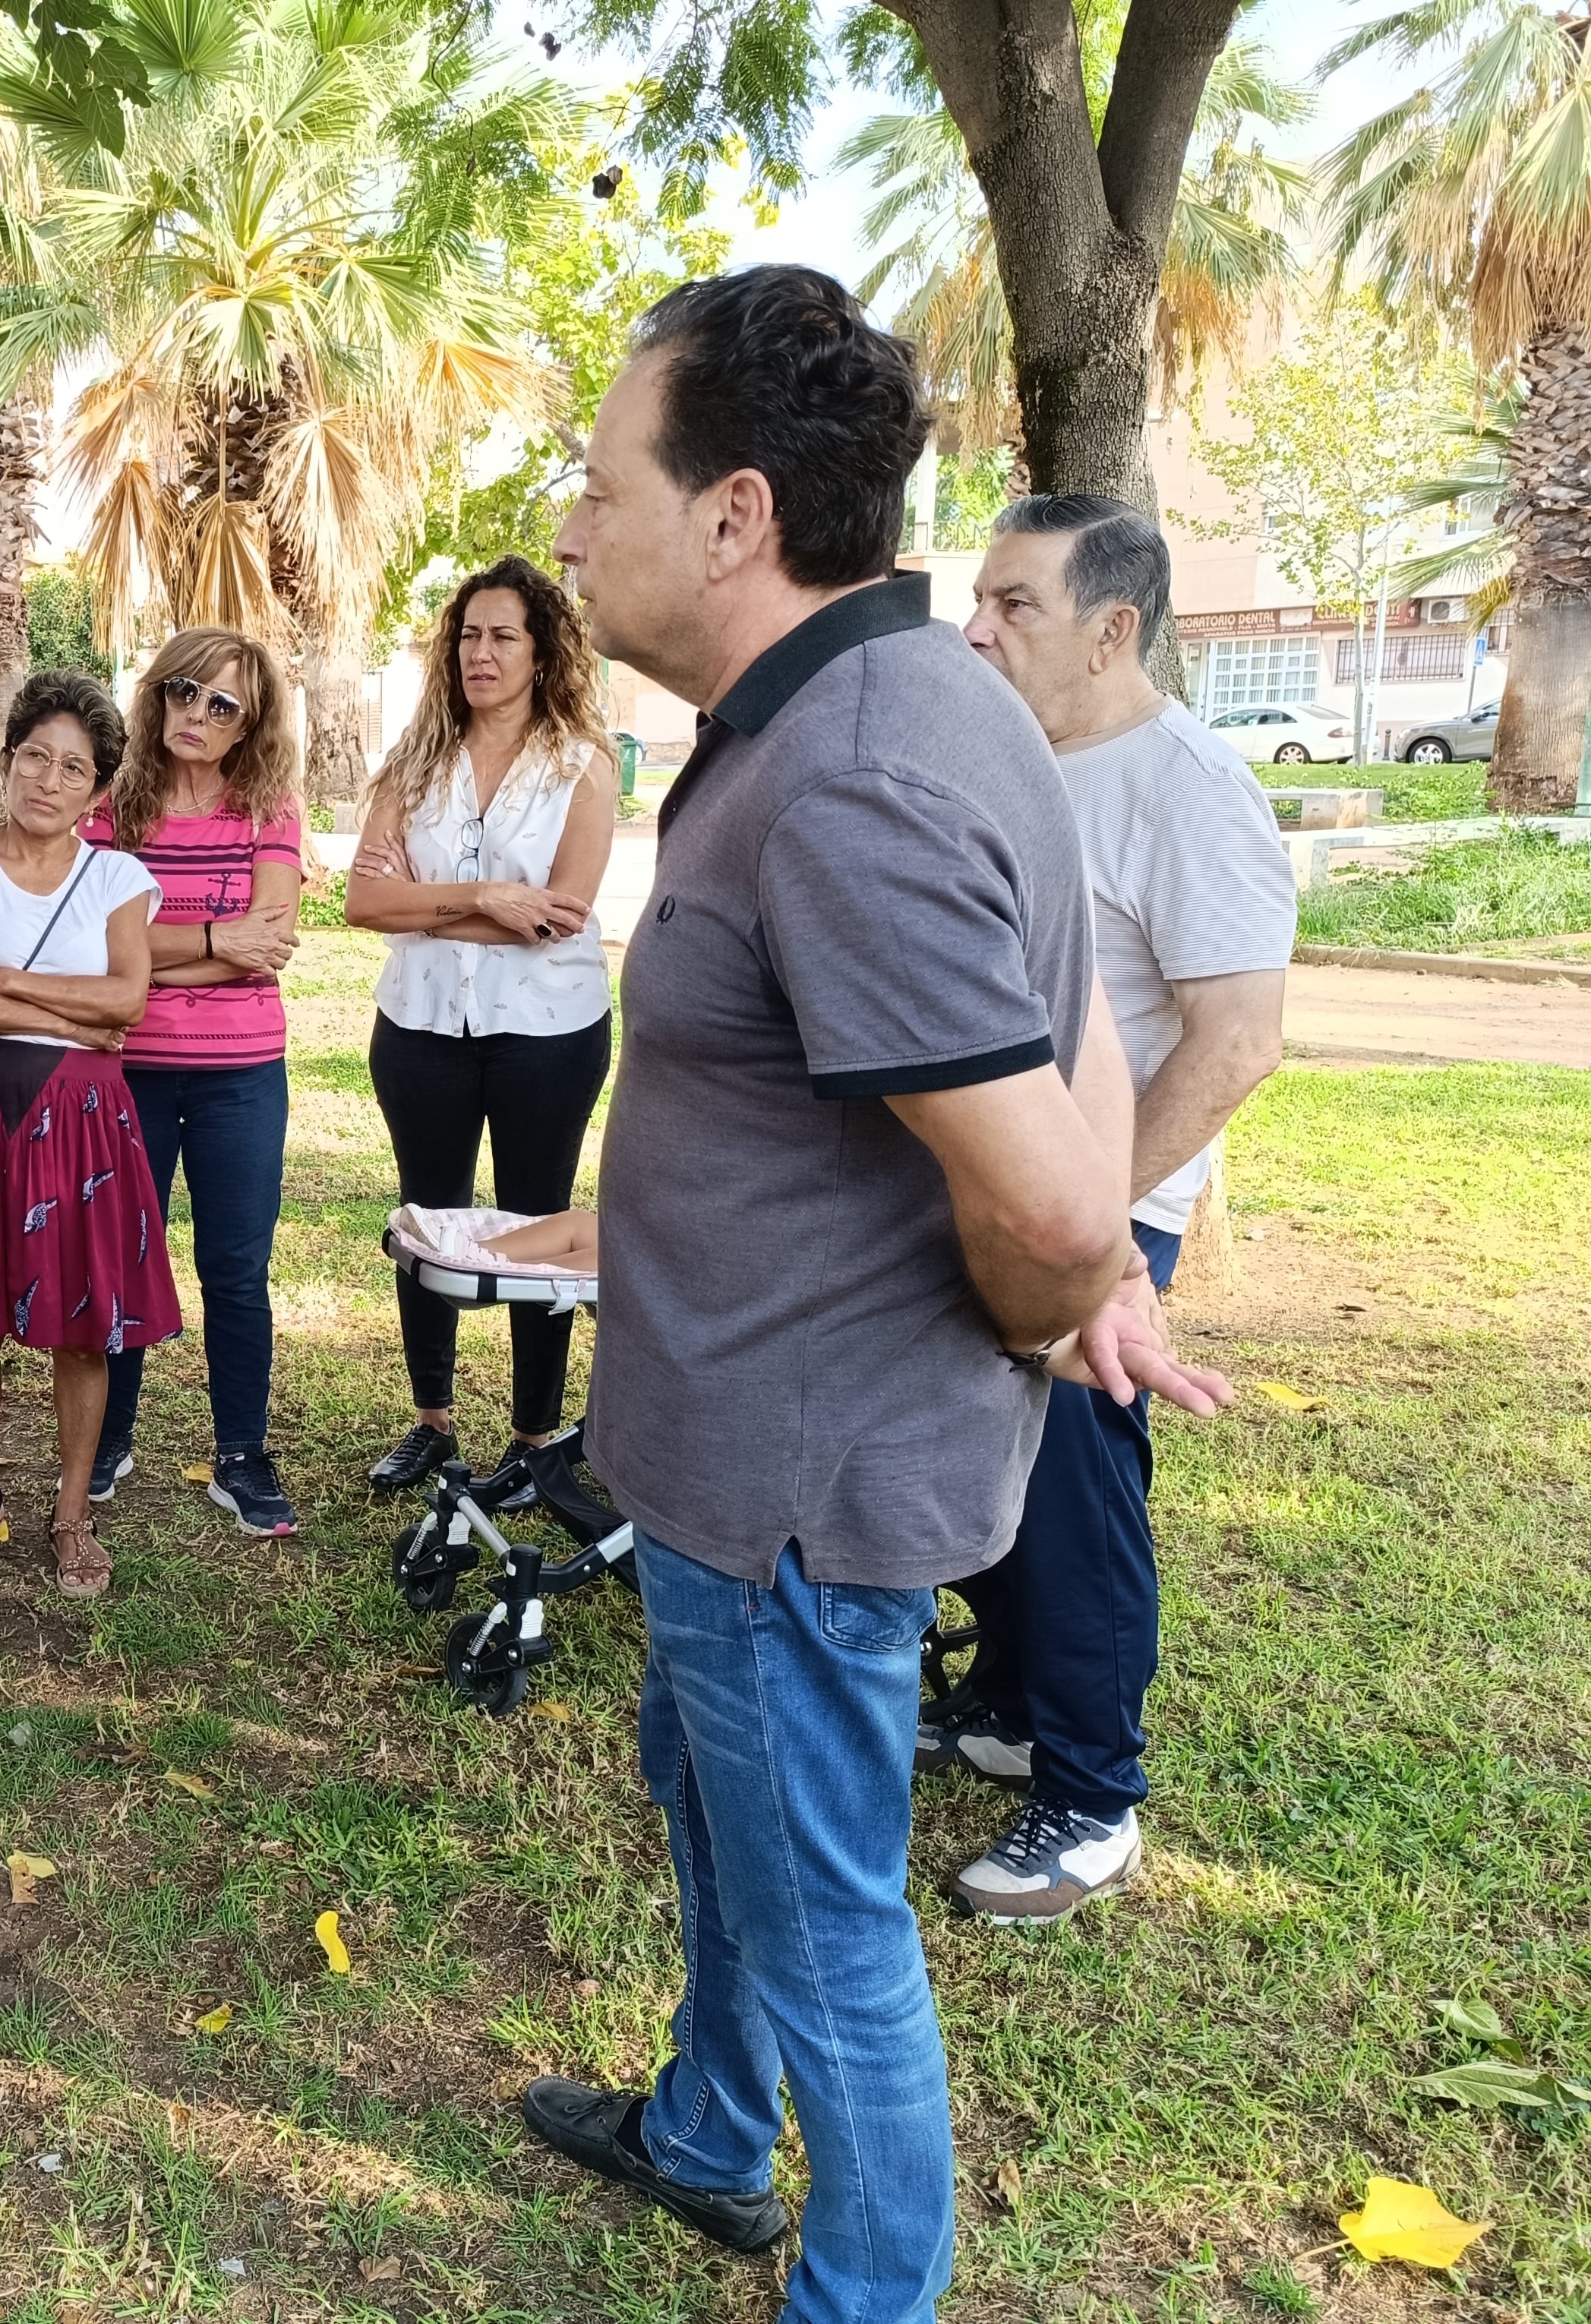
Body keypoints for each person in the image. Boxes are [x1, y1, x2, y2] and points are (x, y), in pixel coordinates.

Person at [523, 267, 1233, 2319]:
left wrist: (1068, 1270)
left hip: (790, 1493)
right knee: (729, 1825)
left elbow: (1031, 1159)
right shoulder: (911, 700)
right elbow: (1073, 1015)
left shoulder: (852, 767)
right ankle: (712, 2131)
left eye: (600, 481)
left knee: (830, 1911)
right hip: (737, 1459)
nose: (572, 526)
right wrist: (1077, 1248)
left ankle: (868, 2294)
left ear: (735, 515)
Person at [945, 494, 1293, 1924]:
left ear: (1112, 628)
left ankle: (1091, 1798)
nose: (975, 627)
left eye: (1013, 604)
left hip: (1102, 1217)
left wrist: (1094, 1223)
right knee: (991, 1483)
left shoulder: (1189, 786)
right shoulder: (1013, 764)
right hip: (1003, 1199)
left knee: (1078, 1500)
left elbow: (1235, 1039)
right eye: (978, 597)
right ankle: (1013, 1705)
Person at [346, 555, 617, 1508]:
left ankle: (535, 1439)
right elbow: (362, 901)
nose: (482, 653)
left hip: (547, 1030)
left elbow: (563, 914)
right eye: (469, 635)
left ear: (542, 653)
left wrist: (422, 904)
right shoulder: (414, 761)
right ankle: (431, 1424)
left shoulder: (584, 761)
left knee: (536, 1224)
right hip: (421, 1023)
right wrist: (485, 898)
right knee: (428, 1217)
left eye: (505, 636)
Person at [0, 673, 176, 1599]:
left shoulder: (119, 877)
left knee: (82, 1329)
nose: (49, 780)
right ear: (8, 758)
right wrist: (69, 1015)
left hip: (86, 1123)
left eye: (74, 768)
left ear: (98, 790)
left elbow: (128, 1000)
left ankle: (72, 1515)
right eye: (35, 757)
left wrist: (8, 985)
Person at [77, 629, 308, 1536]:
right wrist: (216, 943)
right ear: (156, 694)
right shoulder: (110, 806)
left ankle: (242, 1457)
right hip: (125, 1073)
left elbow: (274, 938)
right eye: (184, 692)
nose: (198, 715)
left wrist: (143, 957)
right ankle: (106, 1438)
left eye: (224, 704)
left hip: (240, 1077)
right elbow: (94, 941)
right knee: (121, 1259)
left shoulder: (270, 809)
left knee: (236, 1272)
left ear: (251, 722)